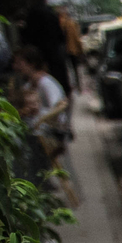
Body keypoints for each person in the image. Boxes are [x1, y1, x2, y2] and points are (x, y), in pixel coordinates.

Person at [14, 45, 78, 206]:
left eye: (19, 63)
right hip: (36, 129)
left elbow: (59, 107)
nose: (16, 67)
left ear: (31, 64)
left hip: (49, 132)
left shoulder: (46, 83)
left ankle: (34, 187)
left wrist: (39, 117)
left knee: (19, 145)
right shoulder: (29, 84)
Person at [20, 0, 71, 90]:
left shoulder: (32, 14)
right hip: (55, 57)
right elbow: (61, 36)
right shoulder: (51, 13)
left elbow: (29, 37)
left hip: (42, 57)